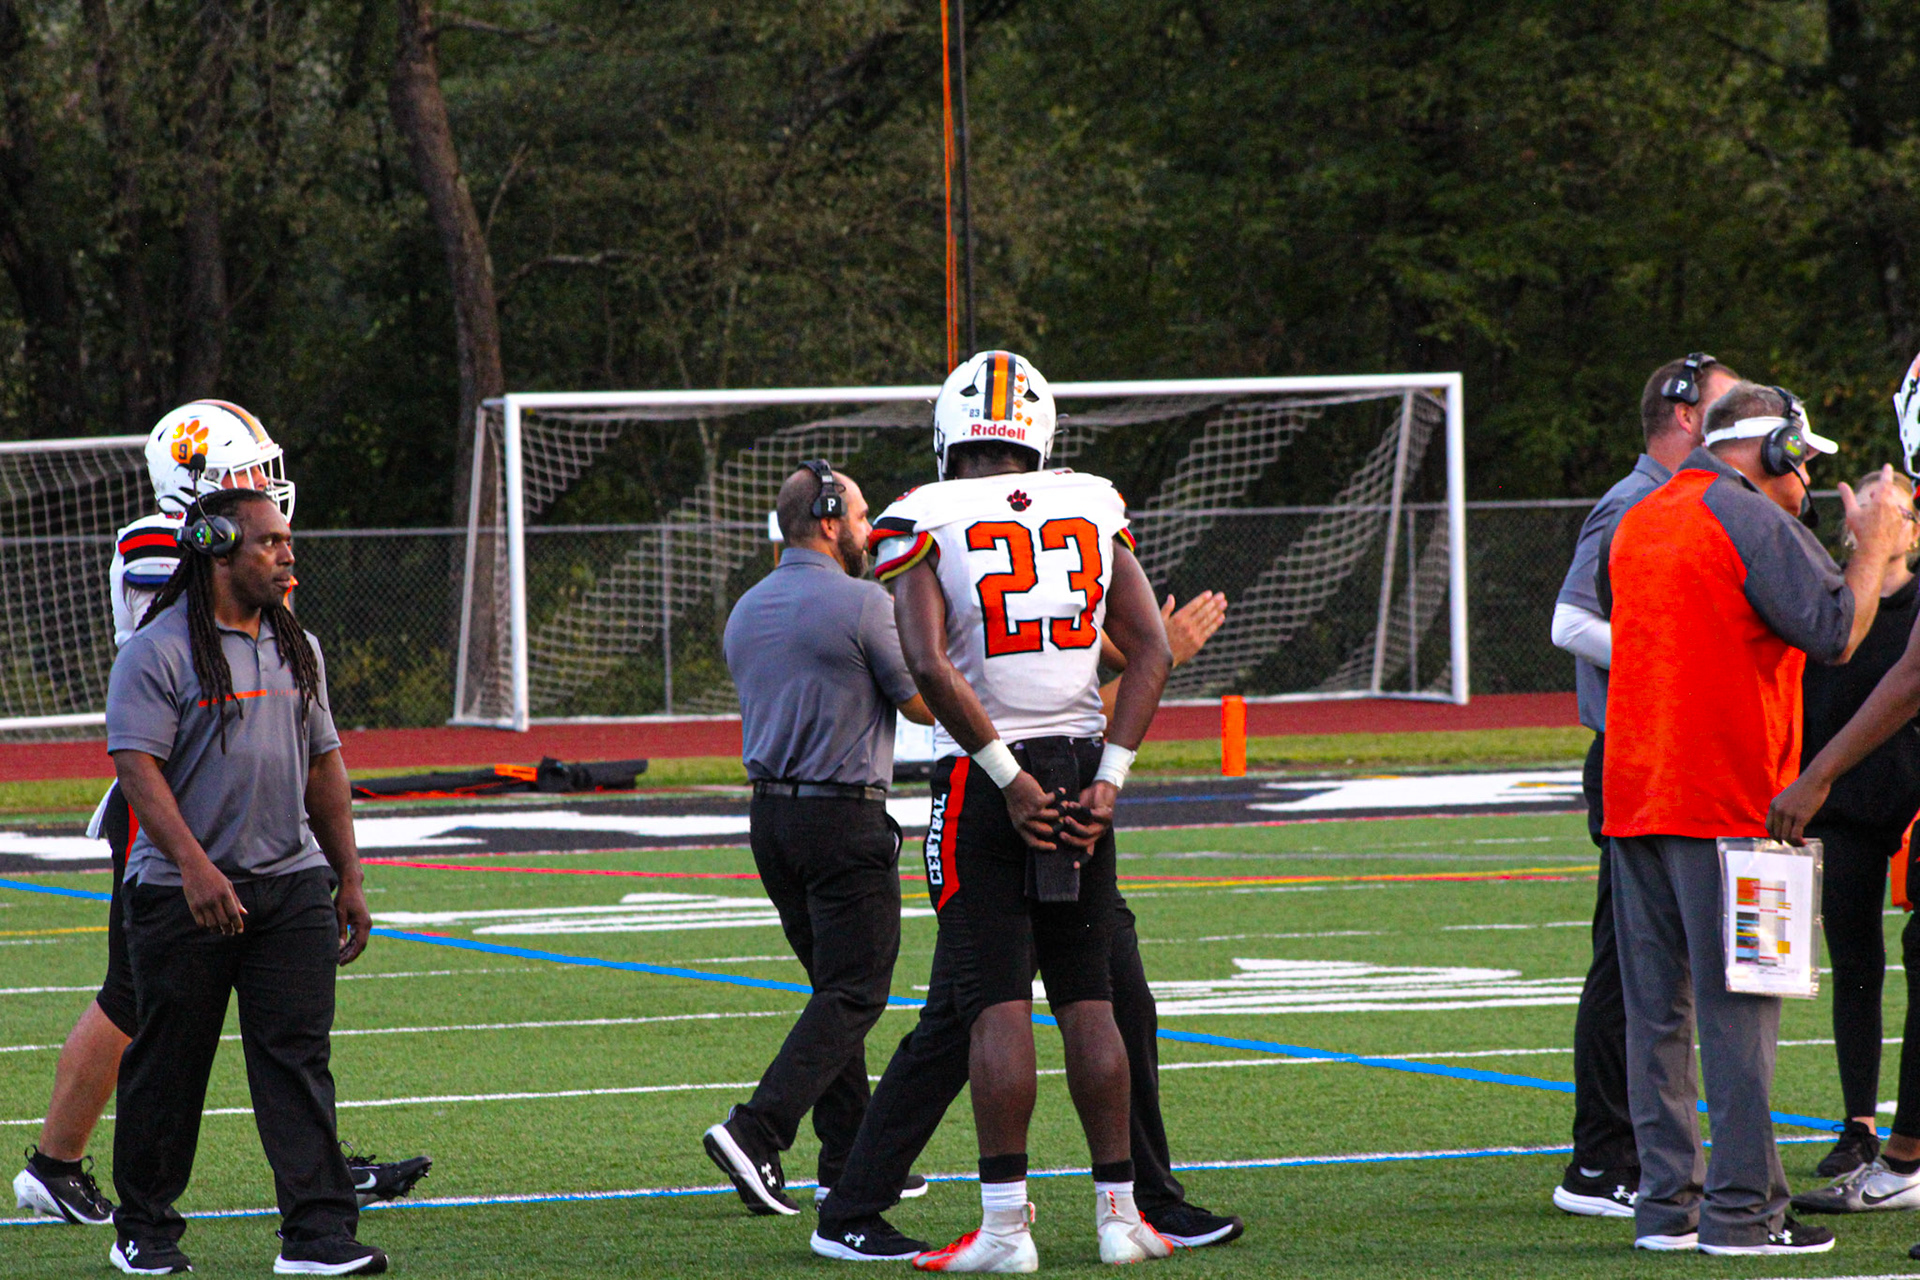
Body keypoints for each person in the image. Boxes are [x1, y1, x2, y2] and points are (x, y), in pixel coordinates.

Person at [12, 402, 427, 1230]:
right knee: (139, 995)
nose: (266, 485)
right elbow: (195, 625)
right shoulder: (158, 542)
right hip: (177, 805)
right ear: (200, 484)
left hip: (239, 792)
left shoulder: (241, 547)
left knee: (272, 1010)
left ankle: (314, 1165)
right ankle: (59, 1166)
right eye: (248, 471)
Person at [811, 596, 1242, 1264]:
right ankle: (861, 1204)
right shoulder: (959, 548)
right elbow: (969, 684)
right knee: (970, 1017)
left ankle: (1140, 1201)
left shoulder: (1048, 549)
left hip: (1052, 786)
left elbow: (1082, 655)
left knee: (1114, 1000)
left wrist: (1140, 648)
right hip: (1003, 788)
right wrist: (1155, 653)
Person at [866, 350, 1173, 1271]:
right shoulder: (1093, 501)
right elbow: (1153, 650)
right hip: (1082, 767)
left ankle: (1006, 1228)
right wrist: (1110, 779)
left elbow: (928, 663)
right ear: (1038, 432)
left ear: (949, 430)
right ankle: (1120, 1216)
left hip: (987, 776)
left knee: (996, 1002)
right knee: (1089, 997)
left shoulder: (920, 515)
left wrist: (1004, 774)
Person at [1600, 381, 1910, 1256]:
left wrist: (1862, 556)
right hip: (1732, 803)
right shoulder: (1747, 517)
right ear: (1772, 448)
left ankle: (1670, 1207)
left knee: (1658, 1017)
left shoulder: (1642, 517)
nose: (1806, 481)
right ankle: (1743, 1214)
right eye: (1803, 461)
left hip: (1638, 800)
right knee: (1743, 1013)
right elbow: (1836, 631)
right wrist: (1875, 543)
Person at [104, 487, 386, 1276]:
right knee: (171, 1065)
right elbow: (137, 768)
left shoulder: (299, 645)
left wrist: (348, 875)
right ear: (217, 549)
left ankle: (317, 1235)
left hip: (290, 885)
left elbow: (326, 765)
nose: (287, 555)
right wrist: (195, 868)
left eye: (287, 540)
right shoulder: (157, 650)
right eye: (269, 542)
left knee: (298, 1061)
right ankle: (144, 1230)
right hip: (182, 894)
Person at [701, 460, 938, 1215]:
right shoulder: (864, 603)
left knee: (832, 990)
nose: (870, 531)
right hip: (841, 818)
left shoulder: (746, 608)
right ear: (831, 520)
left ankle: (851, 1161)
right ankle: (757, 1130)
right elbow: (925, 703)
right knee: (856, 990)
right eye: (862, 517)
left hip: (771, 821)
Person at [1546, 352, 1740, 1217]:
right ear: (1687, 416)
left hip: (1667, 753)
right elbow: (1570, 620)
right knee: (1630, 964)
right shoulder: (1634, 502)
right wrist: (1672, 657)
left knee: (1649, 963)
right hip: (1635, 753)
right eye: (1732, 409)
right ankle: (1602, 1159)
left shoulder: (1692, 502)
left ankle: (1620, 1153)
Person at [1782, 470, 1920, 1212]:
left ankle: (1907, 1148)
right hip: (1844, 804)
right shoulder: (1828, 606)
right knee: (1857, 963)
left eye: (1890, 507)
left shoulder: (1914, 606)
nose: (1874, 515)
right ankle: (1862, 1125)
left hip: (1906, 795)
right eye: (1863, 505)